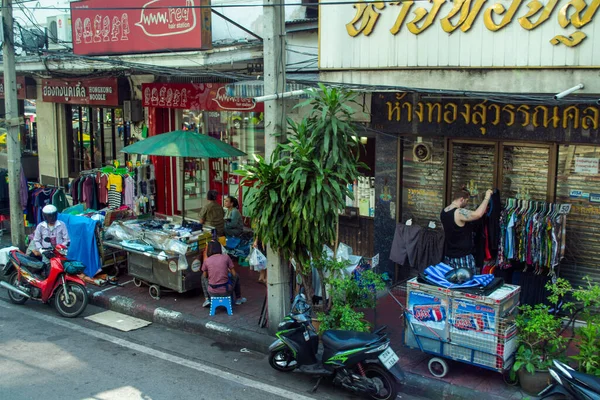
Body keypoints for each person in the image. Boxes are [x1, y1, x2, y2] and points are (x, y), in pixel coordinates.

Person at [440, 188, 493, 273]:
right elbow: (478, 214)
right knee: (467, 284)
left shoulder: (444, 211)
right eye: (467, 201)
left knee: (451, 283)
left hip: (449, 256)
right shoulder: (458, 212)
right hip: (462, 257)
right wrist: (487, 198)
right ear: (462, 199)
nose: (467, 203)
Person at [201, 241, 246, 308]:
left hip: (212, 292)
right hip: (226, 291)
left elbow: (205, 276)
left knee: (202, 277)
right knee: (236, 275)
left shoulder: (207, 261)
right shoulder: (226, 257)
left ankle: (207, 299)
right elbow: (233, 274)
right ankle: (238, 298)